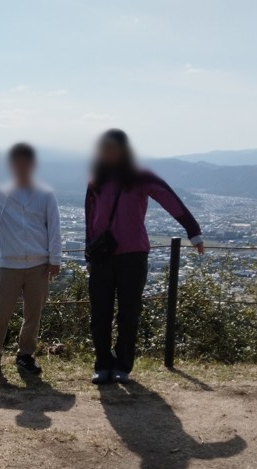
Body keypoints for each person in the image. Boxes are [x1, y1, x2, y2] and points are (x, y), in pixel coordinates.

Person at [84, 129, 204, 385]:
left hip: (133, 253)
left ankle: (122, 365)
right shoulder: (96, 180)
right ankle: (102, 364)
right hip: (102, 255)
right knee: (100, 313)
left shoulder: (140, 177)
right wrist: (89, 255)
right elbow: (90, 218)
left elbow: (170, 200)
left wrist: (193, 232)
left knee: (129, 313)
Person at [0, 143, 62, 377]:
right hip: (9, 264)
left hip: (39, 264)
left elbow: (54, 227)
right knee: (1, 314)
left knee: (33, 314)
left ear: (33, 165)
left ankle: (25, 355)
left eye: (25, 163)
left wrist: (55, 259)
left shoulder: (45, 194)